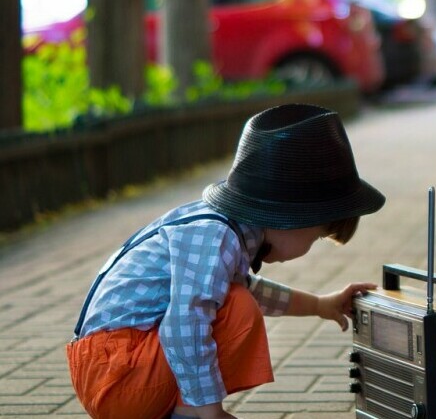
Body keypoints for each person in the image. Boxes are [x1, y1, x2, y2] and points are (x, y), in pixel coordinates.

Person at [65, 103, 386, 419]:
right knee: (237, 308)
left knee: (235, 298)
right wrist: (209, 412)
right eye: (316, 237)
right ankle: (189, 412)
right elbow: (185, 323)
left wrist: (319, 305)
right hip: (117, 374)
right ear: (293, 217)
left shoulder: (223, 229)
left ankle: (185, 408)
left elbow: (250, 289)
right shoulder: (216, 236)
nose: (311, 246)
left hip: (114, 367)